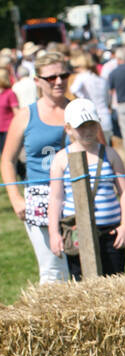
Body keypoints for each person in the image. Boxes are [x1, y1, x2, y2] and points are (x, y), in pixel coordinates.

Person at [1, 49, 72, 281]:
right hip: (40, 195)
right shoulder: (25, 115)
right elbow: (7, 160)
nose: (59, 81)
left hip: (75, 194)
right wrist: (15, 198)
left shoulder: (77, 111)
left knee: (79, 266)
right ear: (37, 81)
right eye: (51, 77)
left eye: (63, 75)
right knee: (52, 268)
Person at [48, 98, 125, 279]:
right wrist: (54, 233)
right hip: (77, 230)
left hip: (110, 232)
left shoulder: (110, 154)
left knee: (115, 280)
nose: (88, 131)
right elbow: (56, 198)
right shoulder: (61, 159)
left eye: (92, 125)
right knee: (82, 282)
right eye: (81, 126)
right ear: (68, 129)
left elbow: (124, 191)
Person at [68, 50, 114, 142]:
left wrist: (82, 100)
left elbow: (73, 89)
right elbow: (108, 99)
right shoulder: (101, 79)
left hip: (90, 118)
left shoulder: (82, 77)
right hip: (105, 117)